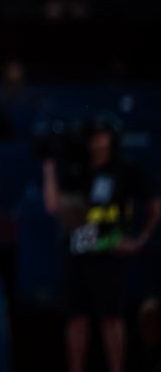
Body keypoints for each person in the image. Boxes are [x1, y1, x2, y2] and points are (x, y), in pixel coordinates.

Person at [43, 116, 161, 372]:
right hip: (78, 254)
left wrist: (140, 239)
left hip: (110, 255)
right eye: (93, 136)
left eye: (102, 136)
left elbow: (154, 206)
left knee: (111, 319)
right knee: (76, 320)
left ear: (113, 139)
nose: (97, 142)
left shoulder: (127, 171)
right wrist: (49, 166)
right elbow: (54, 206)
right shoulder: (77, 172)